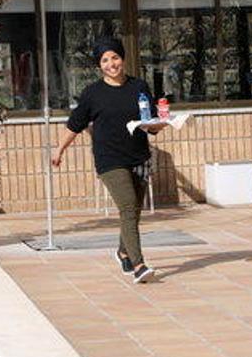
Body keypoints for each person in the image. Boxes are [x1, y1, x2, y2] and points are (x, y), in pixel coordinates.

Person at [52, 38, 167, 283]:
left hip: (139, 156)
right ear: (99, 65)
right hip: (109, 159)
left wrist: (161, 124)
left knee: (134, 211)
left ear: (122, 59)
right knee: (127, 207)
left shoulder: (139, 87)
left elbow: (150, 124)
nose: (111, 64)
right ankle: (138, 265)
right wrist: (59, 149)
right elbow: (75, 124)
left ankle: (123, 251)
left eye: (115, 57)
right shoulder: (92, 93)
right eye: (105, 60)